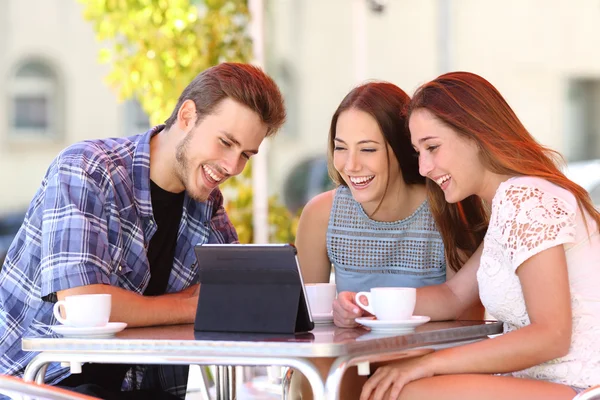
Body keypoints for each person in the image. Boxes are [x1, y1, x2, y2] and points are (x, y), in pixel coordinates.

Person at [0, 62, 286, 399]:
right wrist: (189, 306)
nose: (232, 166)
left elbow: (231, 298)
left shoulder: (207, 209)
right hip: (37, 385)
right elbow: (83, 304)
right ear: (187, 116)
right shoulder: (87, 170)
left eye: (246, 155)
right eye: (225, 143)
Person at [360, 71, 600, 400]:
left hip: (582, 390)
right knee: (390, 385)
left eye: (432, 147)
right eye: (419, 152)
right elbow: (453, 296)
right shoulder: (511, 203)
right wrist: (365, 304)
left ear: (476, 134)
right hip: (548, 386)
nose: (424, 168)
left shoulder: (525, 198)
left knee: (405, 392)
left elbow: (552, 335)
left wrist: (429, 363)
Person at [293, 81, 482, 400]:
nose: (351, 165)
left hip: (428, 368)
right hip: (350, 367)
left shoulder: (447, 209)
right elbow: (305, 326)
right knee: (320, 377)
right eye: (341, 147)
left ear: (401, 148)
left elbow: (466, 326)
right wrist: (340, 318)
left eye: (367, 149)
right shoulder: (321, 214)